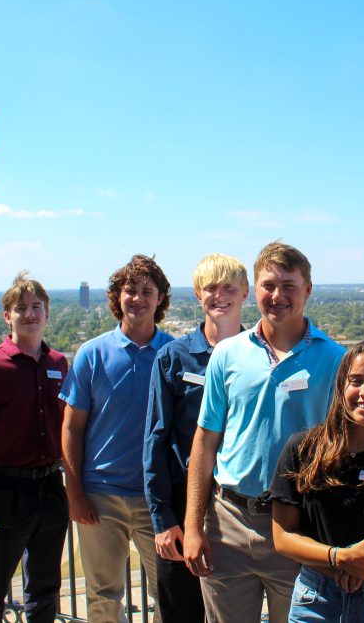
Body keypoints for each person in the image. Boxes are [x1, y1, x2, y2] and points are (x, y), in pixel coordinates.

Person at [183, 241, 346, 623]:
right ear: (254, 290)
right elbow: (205, 442)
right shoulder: (227, 354)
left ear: (307, 290)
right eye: (269, 285)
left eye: (289, 285)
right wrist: (193, 525)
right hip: (228, 524)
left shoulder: (335, 359)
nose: (278, 295)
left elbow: (343, 446)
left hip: (297, 526)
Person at [60, 255, 174, 623]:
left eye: (147, 291)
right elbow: (71, 428)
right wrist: (75, 494)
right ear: (116, 297)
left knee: (169, 594)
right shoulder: (92, 354)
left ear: (160, 299)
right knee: (102, 596)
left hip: (156, 499)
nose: (138, 298)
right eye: (130, 290)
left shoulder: (174, 354)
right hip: (100, 497)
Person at [270, 339, 364, 623]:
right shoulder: (303, 449)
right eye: (356, 380)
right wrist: (339, 558)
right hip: (316, 599)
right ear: (341, 388)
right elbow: (283, 536)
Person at [143, 254, 250, 623]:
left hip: (238, 505)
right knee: (181, 611)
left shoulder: (259, 357)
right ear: (197, 296)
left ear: (245, 293)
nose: (219, 296)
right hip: (181, 501)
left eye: (228, 288)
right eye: (210, 288)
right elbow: (155, 441)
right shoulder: (174, 358)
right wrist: (162, 519)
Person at [0, 272, 70, 623]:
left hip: (51, 488)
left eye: (36, 307)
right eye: (20, 308)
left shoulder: (58, 363)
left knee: (44, 590)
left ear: (47, 313)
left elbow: (68, 427)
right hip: (5, 490)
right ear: (7, 316)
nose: (29, 314)